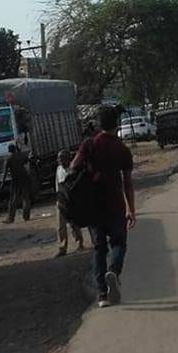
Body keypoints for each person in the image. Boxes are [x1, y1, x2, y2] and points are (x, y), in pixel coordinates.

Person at [72, 106, 136, 308]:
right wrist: (131, 209)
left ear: (99, 124)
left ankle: (102, 295)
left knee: (99, 249)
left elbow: (73, 167)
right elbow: (127, 183)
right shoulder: (122, 149)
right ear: (117, 124)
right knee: (119, 243)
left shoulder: (89, 144)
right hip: (115, 205)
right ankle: (114, 271)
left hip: (93, 206)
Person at [54, 149, 85, 256]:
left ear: (68, 159)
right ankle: (62, 248)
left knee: (74, 223)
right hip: (61, 199)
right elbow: (57, 184)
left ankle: (79, 243)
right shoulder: (58, 169)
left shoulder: (73, 169)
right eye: (58, 159)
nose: (59, 161)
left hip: (71, 200)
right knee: (60, 225)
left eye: (61, 158)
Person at [2, 144, 34, 223]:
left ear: (9, 150)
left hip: (16, 180)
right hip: (25, 178)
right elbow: (28, 160)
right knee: (26, 198)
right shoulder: (21, 156)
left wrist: (2, 183)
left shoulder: (8, 159)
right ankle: (26, 216)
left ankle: (10, 218)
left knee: (13, 200)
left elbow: (5, 172)